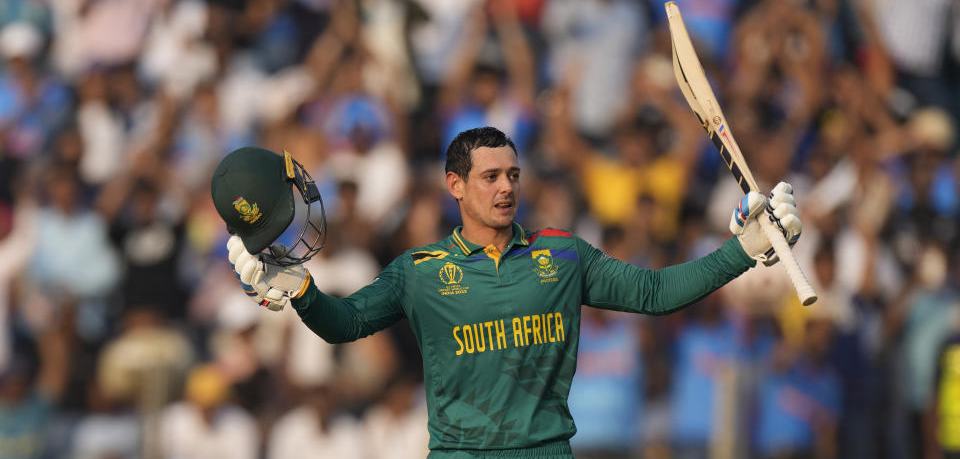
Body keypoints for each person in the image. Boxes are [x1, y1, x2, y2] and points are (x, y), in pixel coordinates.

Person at [210, 126, 803, 458]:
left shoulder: (563, 255)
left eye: (513, 175)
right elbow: (345, 325)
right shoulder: (418, 270)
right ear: (455, 185)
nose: (505, 188)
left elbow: (654, 293)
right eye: (490, 177)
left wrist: (742, 252)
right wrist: (301, 292)